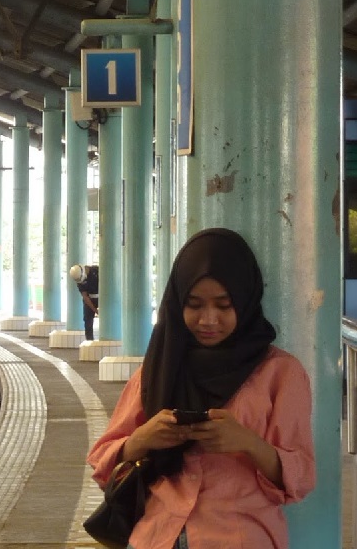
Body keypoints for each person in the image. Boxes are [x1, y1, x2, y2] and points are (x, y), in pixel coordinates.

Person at [86, 228, 315, 548]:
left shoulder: (280, 373)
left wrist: (249, 443)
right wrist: (142, 439)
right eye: (194, 305)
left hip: (239, 537)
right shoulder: (158, 369)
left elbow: (301, 478)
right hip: (157, 535)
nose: (208, 319)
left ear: (245, 301)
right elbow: (101, 462)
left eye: (224, 305)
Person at [69, 264, 99, 340]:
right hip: (90, 299)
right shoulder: (78, 278)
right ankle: (89, 340)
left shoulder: (97, 271)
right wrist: (95, 310)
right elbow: (85, 297)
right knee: (87, 320)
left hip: (102, 297)